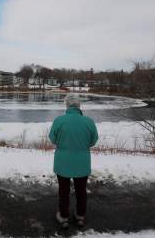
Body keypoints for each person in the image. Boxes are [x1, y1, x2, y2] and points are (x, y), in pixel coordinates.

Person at [49, 94, 98, 228]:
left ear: (67, 105)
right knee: (81, 190)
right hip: (82, 162)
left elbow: (52, 139)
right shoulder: (89, 121)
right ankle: (80, 216)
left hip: (63, 162)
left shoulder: (59, 120)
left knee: (63, 190)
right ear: (79, 106)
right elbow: (93, 141)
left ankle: (64, 217)